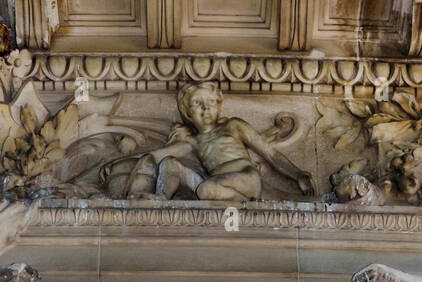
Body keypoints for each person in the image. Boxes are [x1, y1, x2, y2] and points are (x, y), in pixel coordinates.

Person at [125, 82, 313, 202]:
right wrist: (120, 163)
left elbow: (270, 154)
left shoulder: (233, 126)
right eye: (197, 103)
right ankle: (160, 201)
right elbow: (157, 155)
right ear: (188, 113)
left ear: (219, 105)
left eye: (211, 102)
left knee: (206, 190)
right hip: (216, 183)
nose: (205, 108)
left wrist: (297, 174)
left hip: (245, 177)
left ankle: (249, 204)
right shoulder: (194, 142)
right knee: (170, 164)